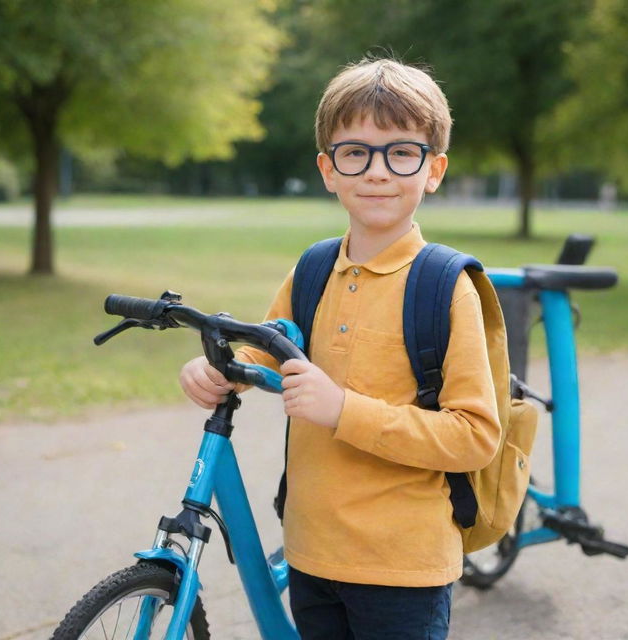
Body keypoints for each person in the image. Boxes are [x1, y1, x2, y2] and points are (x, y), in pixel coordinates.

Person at [179, 57, 501, 640]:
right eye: (356, 152)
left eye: (401, 152)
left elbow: (475, 435)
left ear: (434, 170)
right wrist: (218, 369)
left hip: (402, 565)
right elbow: (269, 346)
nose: (377, 171)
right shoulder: (313, 268)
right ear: (329, 169)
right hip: (310, 552)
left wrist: (342, 409)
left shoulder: (446, 287)